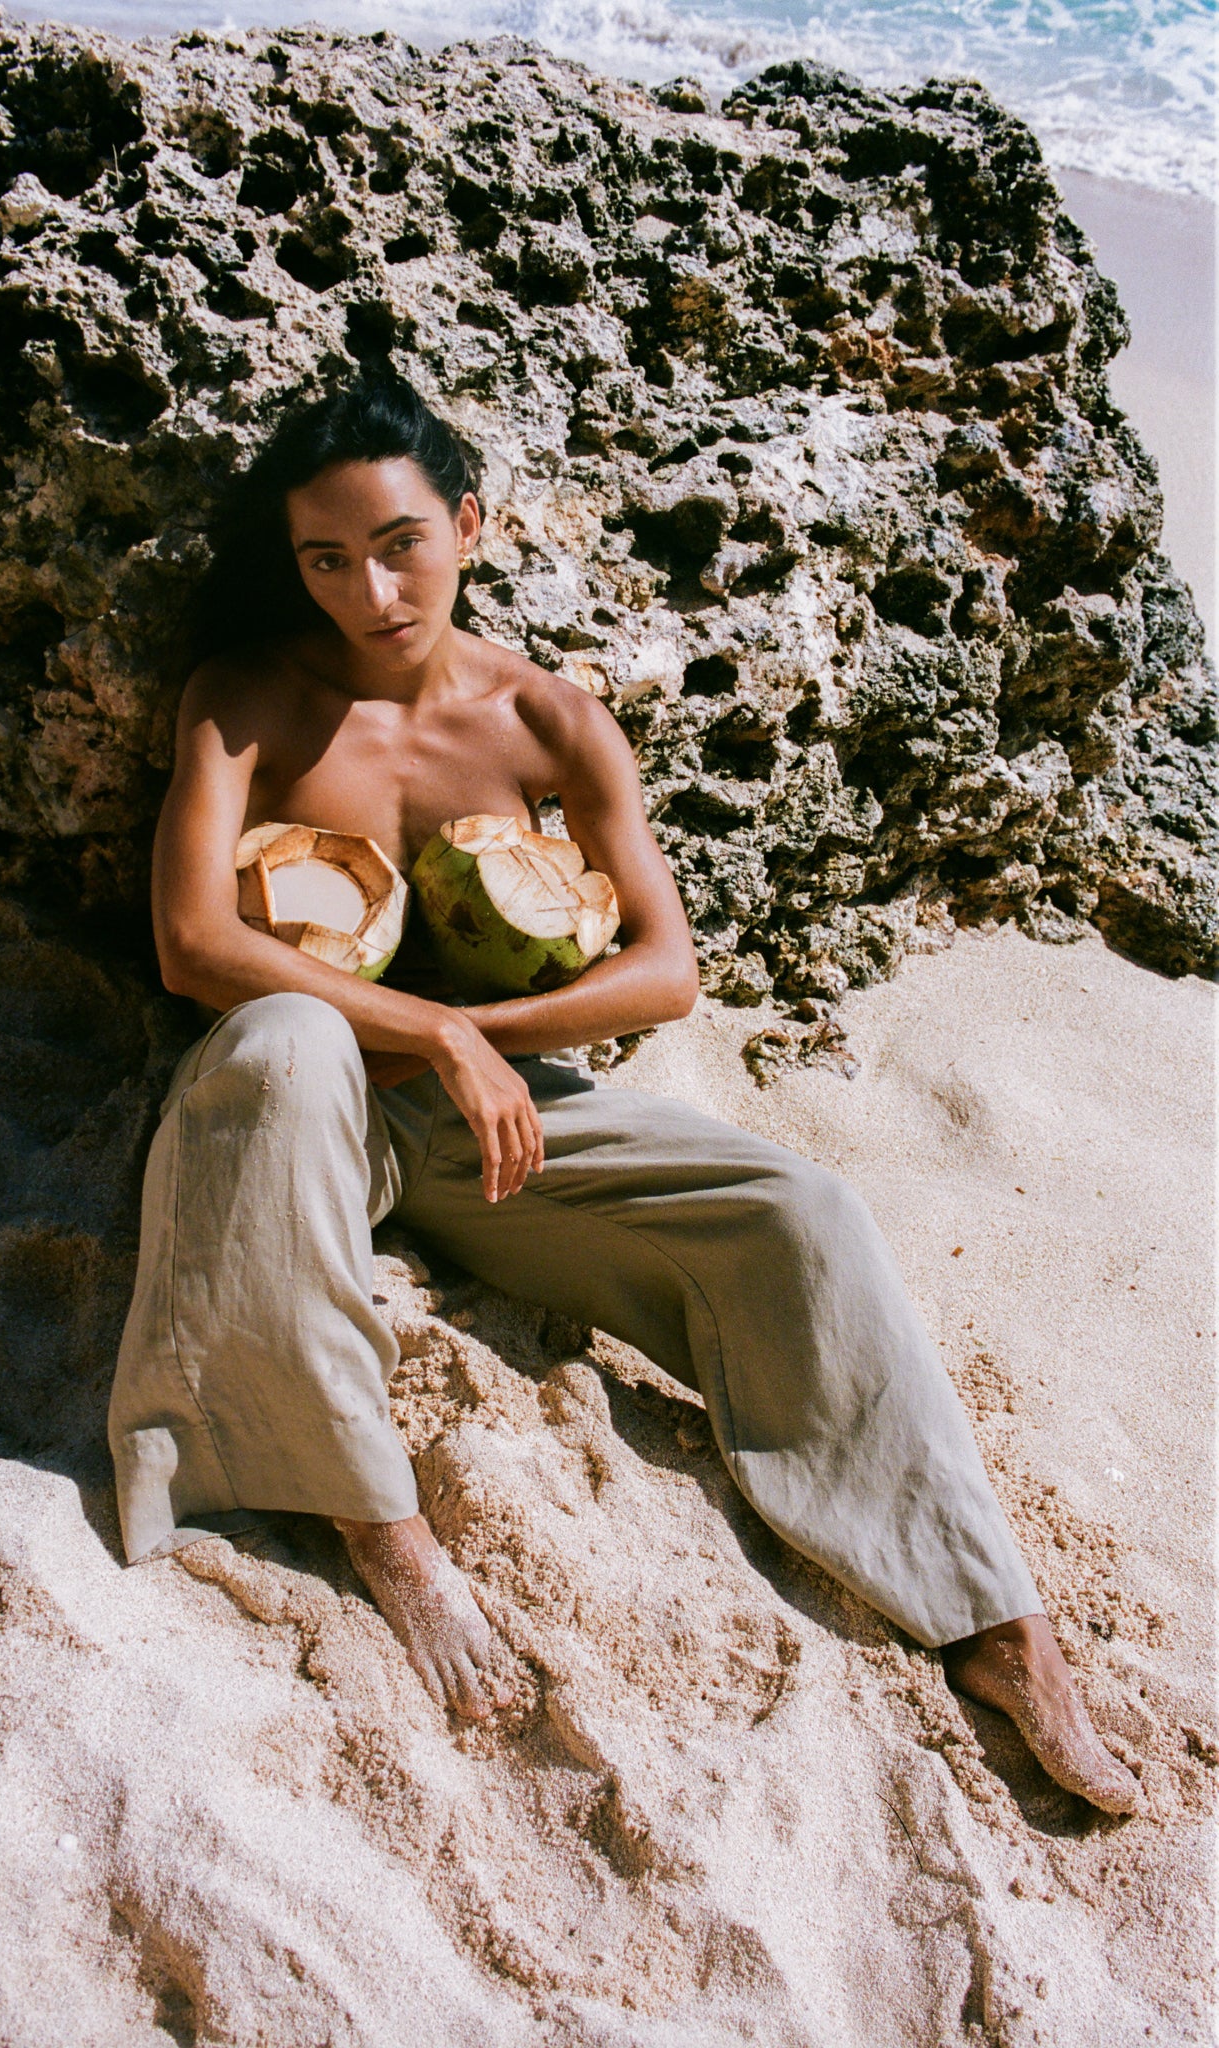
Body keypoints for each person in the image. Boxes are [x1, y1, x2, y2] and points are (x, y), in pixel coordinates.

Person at [109, 372, 1137, 1815]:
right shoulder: (248, 699)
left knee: (794, 1206)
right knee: (283, 1047)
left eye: (399, 542)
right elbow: (194, 942)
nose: (369, 587)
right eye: (326, 558)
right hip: (294, 1102)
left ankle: (990, 1622)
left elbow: (665, 972)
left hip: (495, 1113)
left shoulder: (548, 719)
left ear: (468, 524)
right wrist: (431, 1031)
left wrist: (483, 1040)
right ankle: (377, 1522)